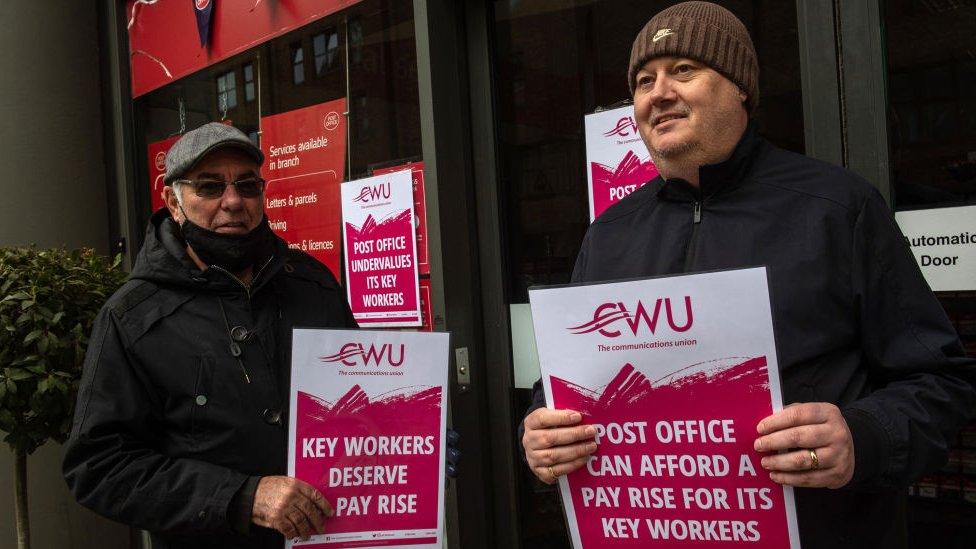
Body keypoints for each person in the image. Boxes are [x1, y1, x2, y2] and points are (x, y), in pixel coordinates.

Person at [520, 2, 975, 547]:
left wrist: (863, 436)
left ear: (740, 89)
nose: (657, 93)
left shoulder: (836, 208)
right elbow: (563, 386)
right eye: (644, 80)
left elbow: (940, 382)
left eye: (683, 71)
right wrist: (541, 429)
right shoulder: (610, 234)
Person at [63, 122, 358, 548]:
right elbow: (99, 467)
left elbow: (359, 397)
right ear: (173, 200)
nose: (234, 201)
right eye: (210, 187)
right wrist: (240, 497)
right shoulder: (133, 318)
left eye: (247, 185)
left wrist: (415, 436)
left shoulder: (313, 286)